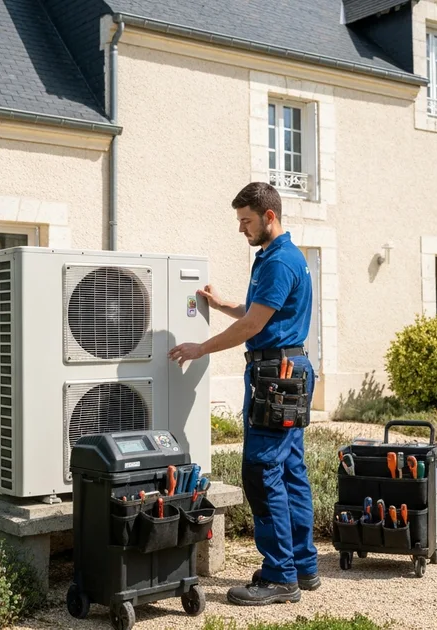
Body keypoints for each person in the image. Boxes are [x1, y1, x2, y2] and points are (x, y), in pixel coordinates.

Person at [168, 181, 319, 606]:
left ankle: (279, 577)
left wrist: (201, 348)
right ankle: (303, 566)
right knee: (290, 470)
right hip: (289, 371)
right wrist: (221, 305)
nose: (241, 228)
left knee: (261, 471)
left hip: (276, 375)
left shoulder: (279, 261)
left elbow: (253, 326)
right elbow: (259, 313)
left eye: (246, 220)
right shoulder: (281, 256)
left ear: (269, 216)